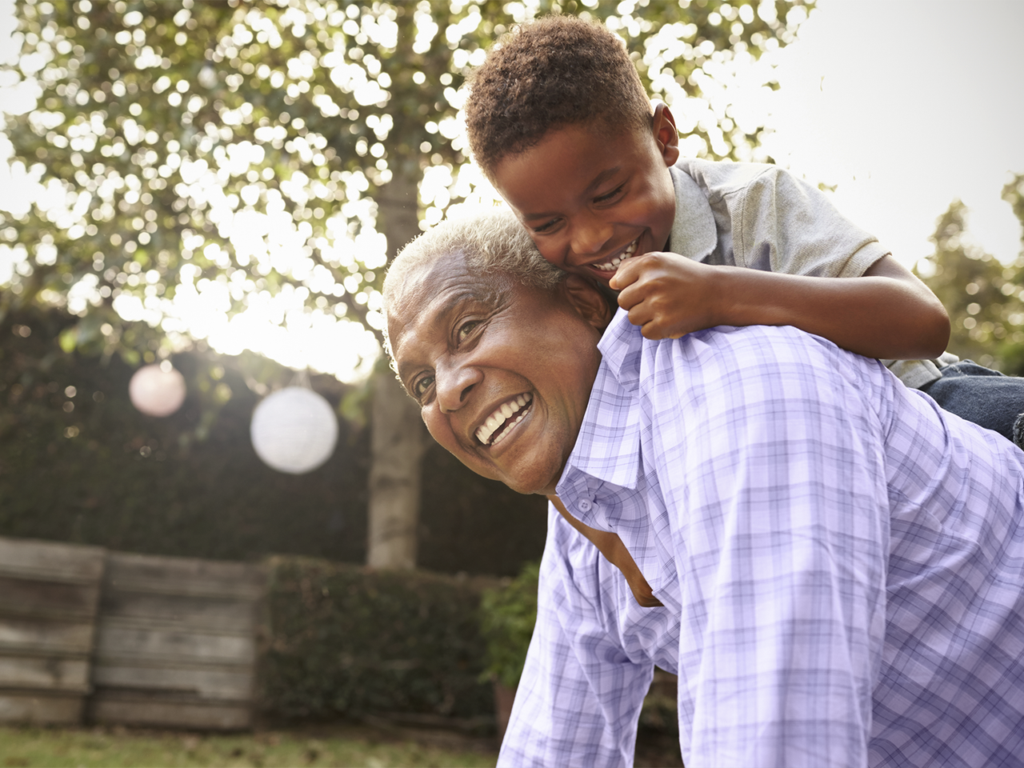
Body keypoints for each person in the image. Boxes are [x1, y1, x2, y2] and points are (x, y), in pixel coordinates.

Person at [383, 209, 1024, 768]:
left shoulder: (745, 394)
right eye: (419, 385)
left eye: (466, 328)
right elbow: (552, 748)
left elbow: (772, 748)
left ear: (582, 305)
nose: (447, 390)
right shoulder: (585, 524)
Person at [462, 15, 1024, 448]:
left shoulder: (751, 202)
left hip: (929, 406)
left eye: (607, 194)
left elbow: (922, 323)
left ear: (663, 137)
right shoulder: (566, 291)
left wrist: (722, 294)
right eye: (548, 223)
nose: (587, 241)